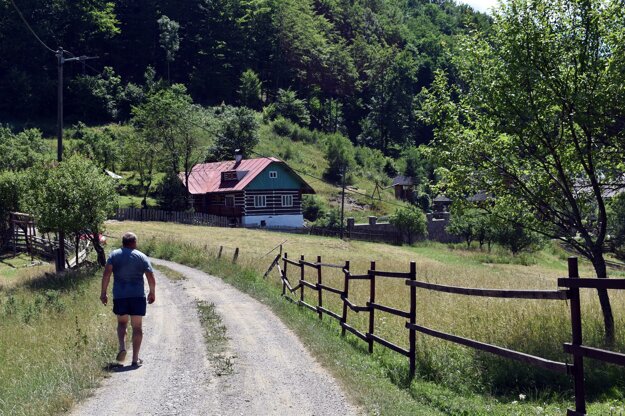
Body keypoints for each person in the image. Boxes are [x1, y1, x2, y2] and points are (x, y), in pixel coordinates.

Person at [100, 232, 156, 367]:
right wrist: (152, 292)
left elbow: (107, 274)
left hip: (120, 296)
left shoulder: (114, 255)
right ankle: (135, 359)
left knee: (122, 323)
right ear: (134, 243)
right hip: (137, 296)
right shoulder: (141, 256)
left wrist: (103, 293)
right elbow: (150, 277)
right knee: (137, 327)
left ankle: (122, 347)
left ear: (123, 242)